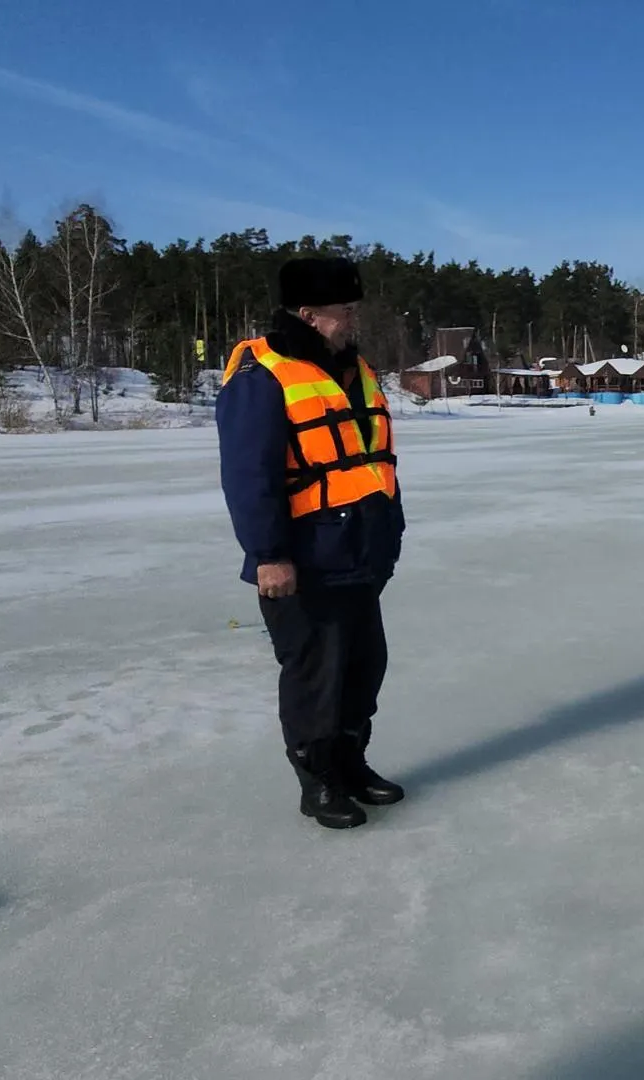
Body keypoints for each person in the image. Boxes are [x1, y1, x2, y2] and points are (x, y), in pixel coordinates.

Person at [216, 256, 407, 829]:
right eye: (344, 310)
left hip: (359, 553)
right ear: (309, 314)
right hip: (303, 559)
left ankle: (350, 764)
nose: (353, 319)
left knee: (363, 669)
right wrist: (269, 555)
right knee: (314, 680)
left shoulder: (352, 367)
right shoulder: (263, 374)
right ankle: (318, 782)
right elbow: (249, 475)